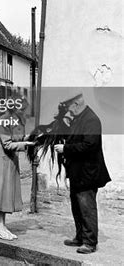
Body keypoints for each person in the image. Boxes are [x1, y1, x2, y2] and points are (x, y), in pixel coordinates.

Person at [54, 93, 111, 254]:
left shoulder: (91, 120)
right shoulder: (80, 119)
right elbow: (74, 138)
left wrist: (65, 149)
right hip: (77, 173)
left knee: (87, 209)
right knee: (77, 207)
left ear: (77, 104)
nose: (68, 111)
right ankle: (80, 237)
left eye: (69, 107)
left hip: (88, 174)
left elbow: (89, 145)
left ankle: (90, 243)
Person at [0, 98, 34, 240]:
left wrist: (32, 138)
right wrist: (27, 145)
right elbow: (7, 144)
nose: (24, 113)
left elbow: (19, 138)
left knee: (6, 194)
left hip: (10, 160)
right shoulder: (4, 120)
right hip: (2, 159)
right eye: (22, 110)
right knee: (0, 193)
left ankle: (2, 226)